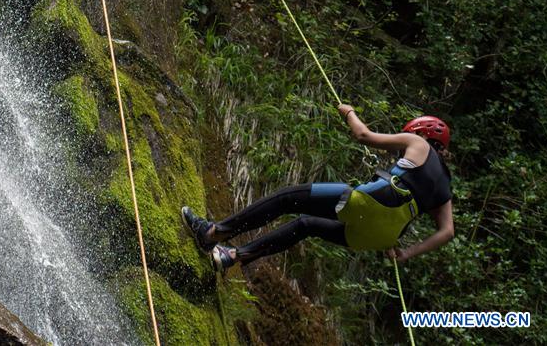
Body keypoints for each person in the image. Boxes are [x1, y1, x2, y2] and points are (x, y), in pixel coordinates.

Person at [182, 109, 454, 272]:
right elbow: (446, 232)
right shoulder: (445, 185)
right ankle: (233, 256)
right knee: (306, 226)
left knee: (288, 198)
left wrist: (348, 112)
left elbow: (364, 136)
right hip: (379, 237)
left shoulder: (418, 143)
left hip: (370, 203)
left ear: (422, 133)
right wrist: (406, 253)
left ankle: (213, 233)